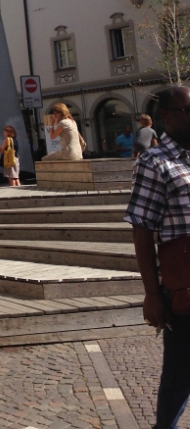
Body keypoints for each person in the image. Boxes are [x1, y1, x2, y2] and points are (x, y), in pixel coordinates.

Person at [125, 86, 190, 429]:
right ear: (166, 116)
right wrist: (152, 294)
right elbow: (142, 231)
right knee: (180, 374)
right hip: (184, 287)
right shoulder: (153, 162)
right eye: (188, 111)